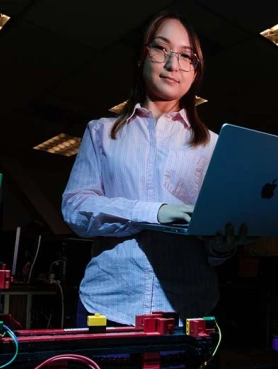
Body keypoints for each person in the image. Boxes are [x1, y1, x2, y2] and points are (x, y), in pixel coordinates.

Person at [61, 10, 246, 327]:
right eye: (162, 49)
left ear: (195, 71)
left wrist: (223, 246)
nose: (174, 65)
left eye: (187, 56)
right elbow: (76, 208)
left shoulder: (215, 145)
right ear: (142, 56)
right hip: (107, 306)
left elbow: (212, 247)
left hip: (188, 309)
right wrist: (154, 213)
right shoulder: (101, 132)